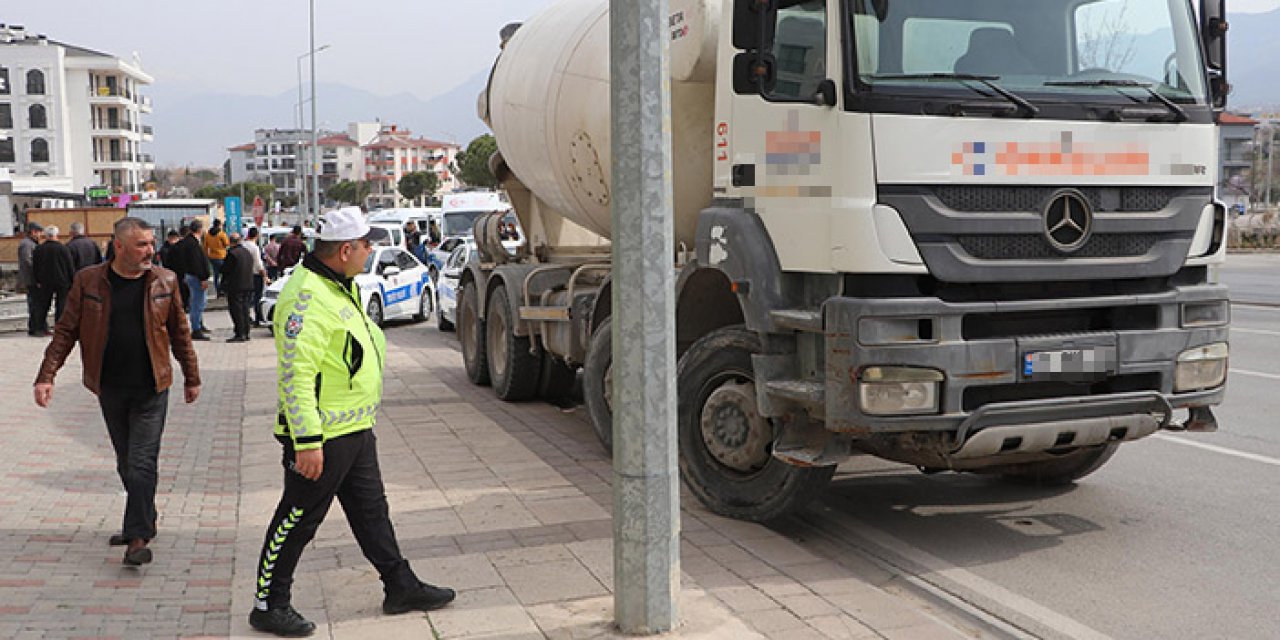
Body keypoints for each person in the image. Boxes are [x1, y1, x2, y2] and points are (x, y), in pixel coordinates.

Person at [248, 207, 454, 637]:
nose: (371, 250)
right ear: (345, 250)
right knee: (298, 518)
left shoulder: (340, 286)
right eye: (366, 244)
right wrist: (307, 441)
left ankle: (400, 586)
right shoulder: (305, 298)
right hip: (322, 434)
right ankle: (269, 604)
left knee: (372, 512)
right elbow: (296, 375)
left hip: (355, 428)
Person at [33, 217, 201, 566]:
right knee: (126, 462)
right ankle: (144, 516)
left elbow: (180, 333)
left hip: (152, 388)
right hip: (109, 386)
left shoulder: (164, 281)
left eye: (152, 243)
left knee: (142, 461)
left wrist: (192, 376)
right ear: (120, 246)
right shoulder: (89, 280)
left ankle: (137, 539)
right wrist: (46, 376)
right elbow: (66, 331)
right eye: (142, 244)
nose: (150, 251)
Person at [31, 225, 75, 334]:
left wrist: (37, 280)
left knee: (43, 305)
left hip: (45, 281)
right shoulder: (63, 248)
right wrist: (72, 279)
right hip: (62, 281)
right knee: (61, 304)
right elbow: (70, 266)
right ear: (56, 235)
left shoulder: (39, 249)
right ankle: (59, 327)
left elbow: (35, 266)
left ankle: (40, 328)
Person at [174, 219, 212, 340]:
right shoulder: (193, 244)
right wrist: (203, 278)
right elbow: (196, 263)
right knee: (197, 303)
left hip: (190, 275)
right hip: (196, 277)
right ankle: (196, 328)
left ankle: (198, 325)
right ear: (200, 229)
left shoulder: (187, 242)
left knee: (197, 301)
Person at [219, 233, 255, 343]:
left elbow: (225, 269)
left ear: (231, 242)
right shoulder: (247, 252)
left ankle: (240, 333)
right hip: (248, 284)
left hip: (236, 285)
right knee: (245, 309)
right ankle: (246, 332)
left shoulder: (232, 254)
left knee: (236, 310)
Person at [18, 222, 44, 336]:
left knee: (35, 303)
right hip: (31, 279)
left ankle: (35, 326)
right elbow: (28, 262)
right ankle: (35, 327)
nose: (40, 235)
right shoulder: (27, 245)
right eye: (39, 233)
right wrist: (37, 276)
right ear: (33, 232)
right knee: (34, 303)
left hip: (31, 278)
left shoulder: (29, 243)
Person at [245, 227, 271, 326]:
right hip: (255, 275)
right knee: (257, 297)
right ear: (256, 235)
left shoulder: (244, 245)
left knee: (247, 298)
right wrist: (265, 276)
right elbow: (258, 264)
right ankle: (257, 318)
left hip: (245, 274)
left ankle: (247, 317)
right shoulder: (254, 247)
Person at [203, 219, 230, 296]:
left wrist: (207, 255)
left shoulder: (208, 234)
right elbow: (227, 243)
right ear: (219, 225)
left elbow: (205, 246)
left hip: (212, 257)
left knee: (216, 274)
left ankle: (217, 290)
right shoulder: (221, 234)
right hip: (222, 256)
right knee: (225, 273)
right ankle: (223, 289)